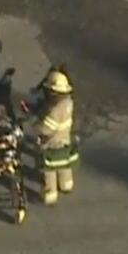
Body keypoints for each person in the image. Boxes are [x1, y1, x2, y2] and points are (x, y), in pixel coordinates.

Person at [27, 67, 77, 206]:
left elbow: (46, 129)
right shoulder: (68, 103)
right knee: (64, 164)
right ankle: (66, 184)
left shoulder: (54, 110)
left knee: (48, 169)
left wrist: (35, 124)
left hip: (51, 144)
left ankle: (50, 193)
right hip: (65, 139)